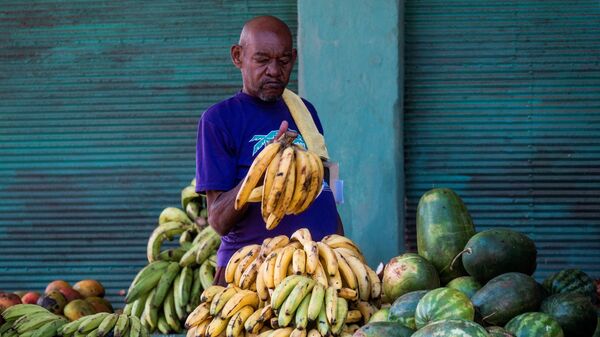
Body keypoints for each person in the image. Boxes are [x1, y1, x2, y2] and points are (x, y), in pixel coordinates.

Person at [195, 15, 343, 286]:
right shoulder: (218, 120)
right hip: (253, 275)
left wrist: (342, 250)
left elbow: (324, 189)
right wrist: (266, 168)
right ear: (238, 56)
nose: (274, 70)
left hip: (316, 268)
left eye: (284, 61)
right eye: (262, 60)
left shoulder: (305, 112)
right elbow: (217, 220)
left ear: (294, 58)